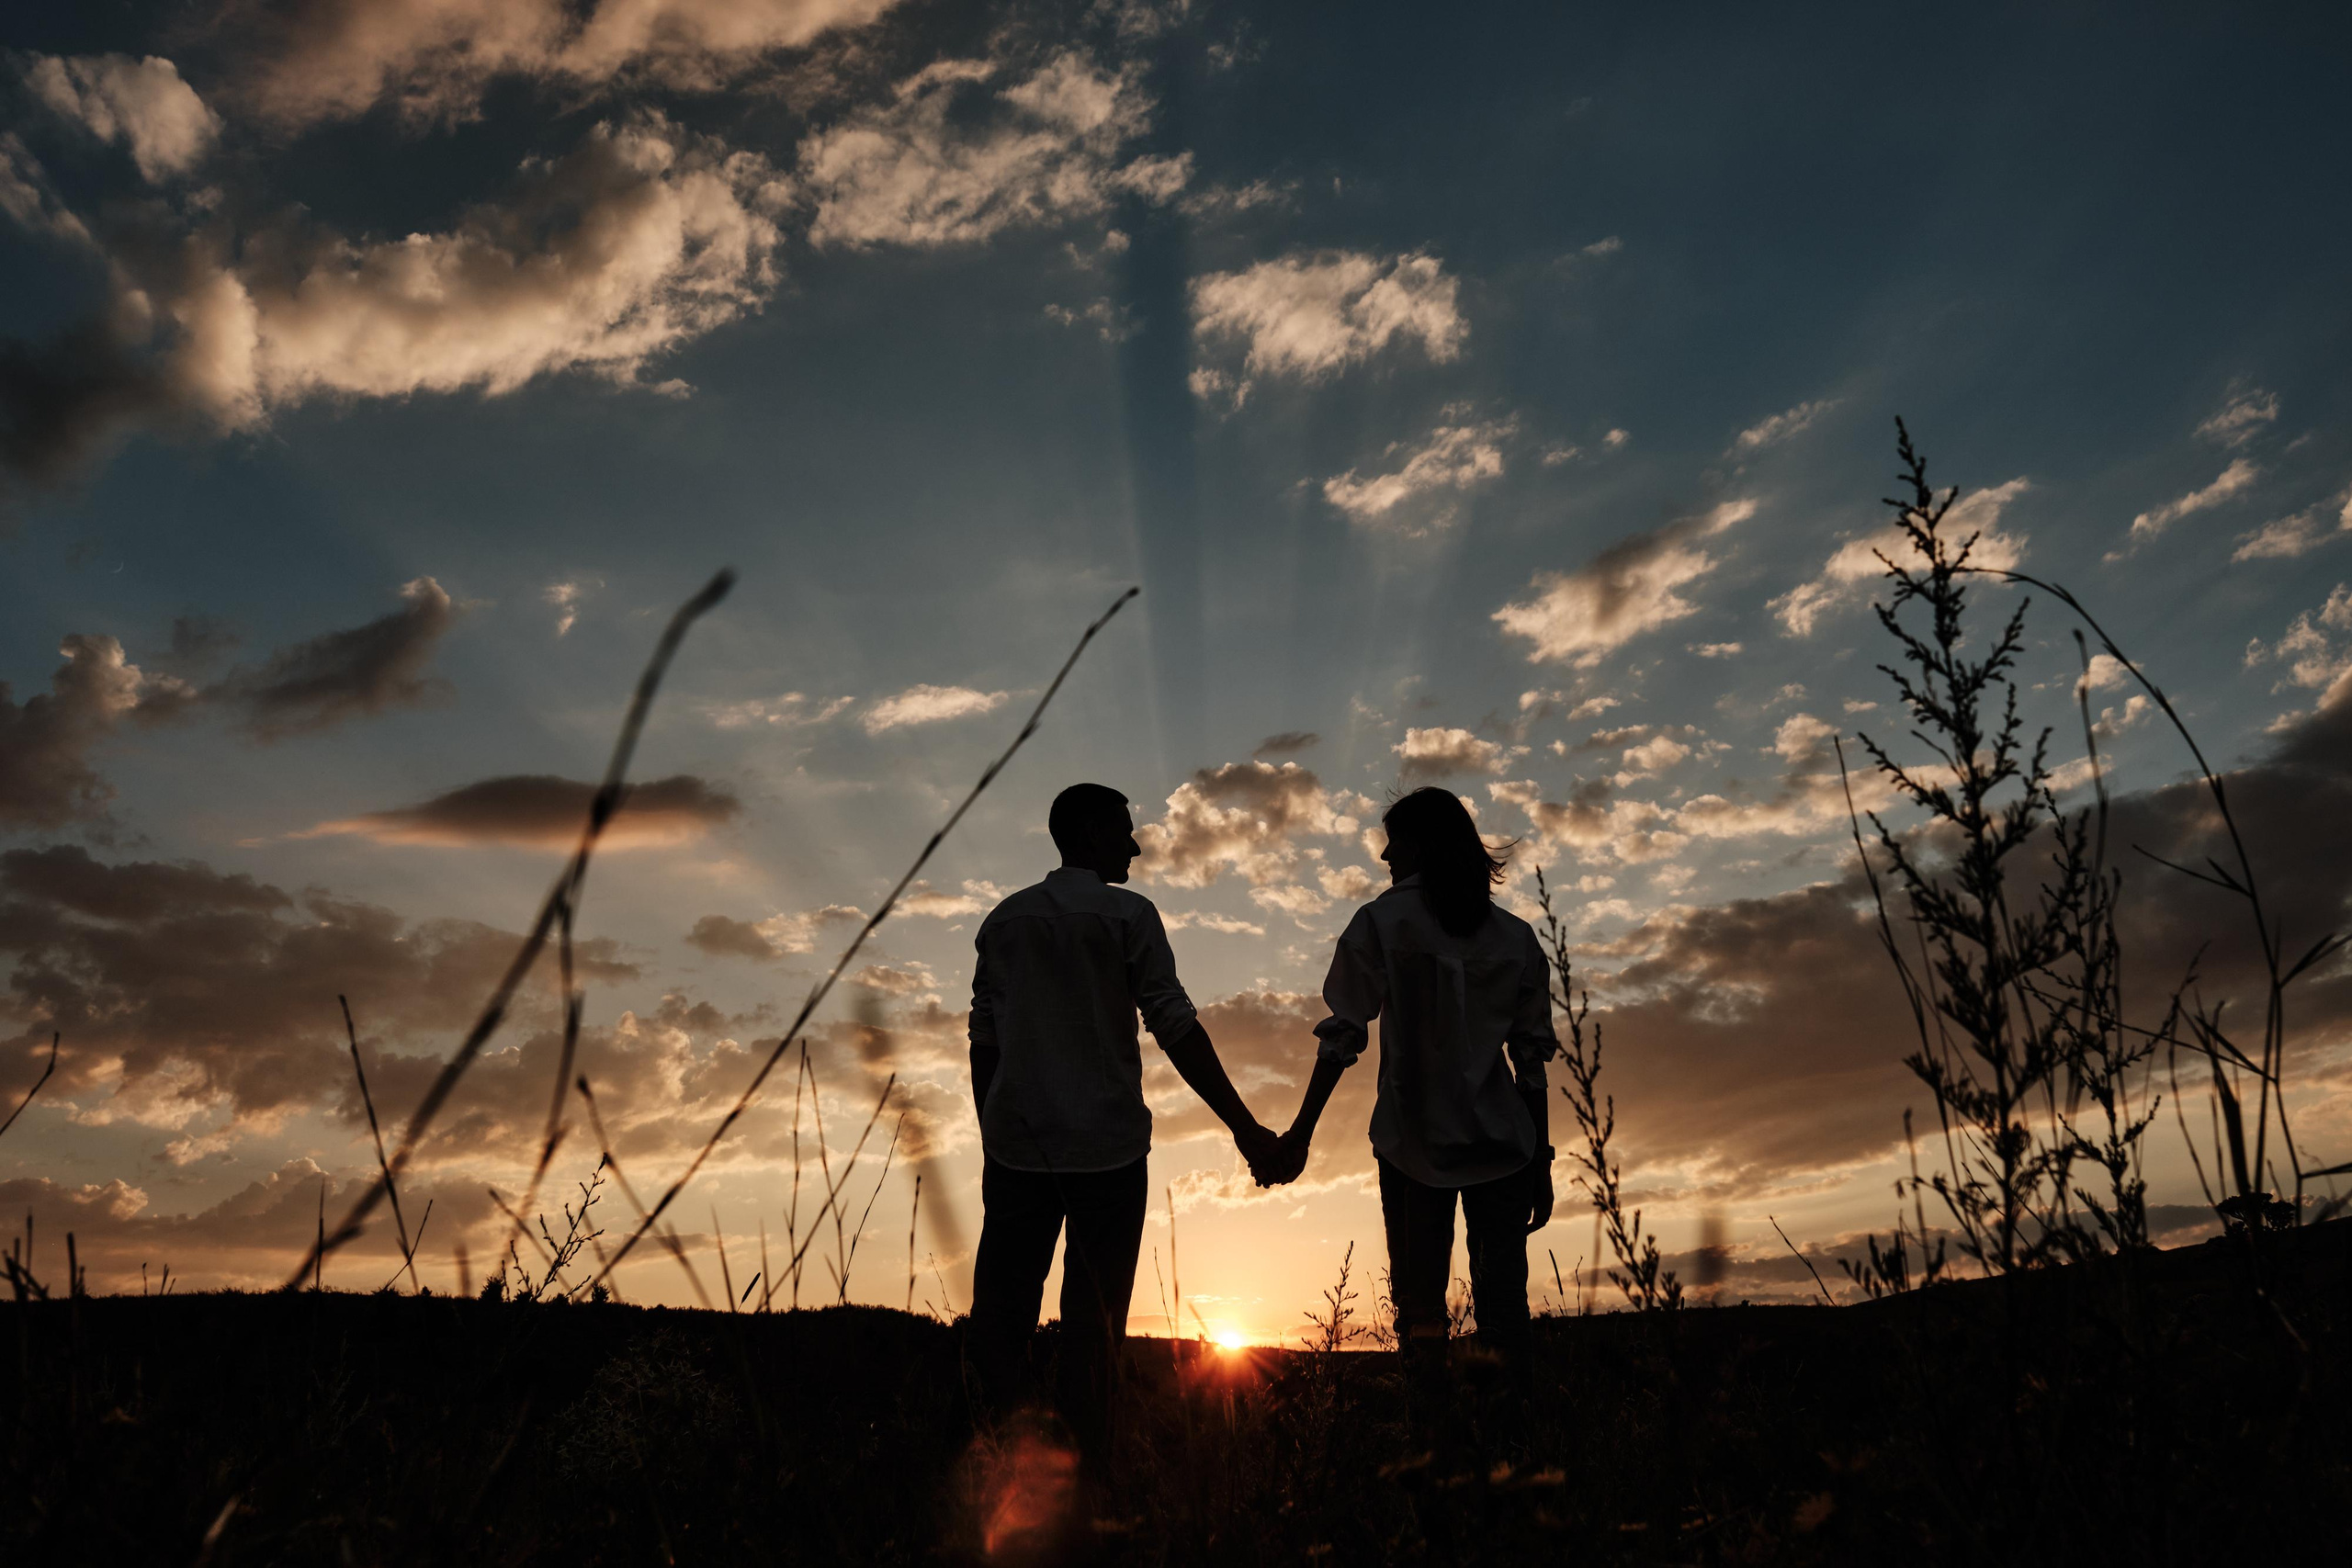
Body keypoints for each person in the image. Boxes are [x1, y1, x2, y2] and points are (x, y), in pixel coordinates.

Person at [966, 782, 1283, 1470]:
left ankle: (1008, 1464)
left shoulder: (1004, 922)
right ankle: (1086, 1480)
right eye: (1122, 829)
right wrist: (1244, 1126)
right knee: (1096, 1331)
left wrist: (993, 1132)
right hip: (1107, 1153)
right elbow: (1174, 1024)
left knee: (1001, 1323)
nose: (1136, 842)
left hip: (1018, 1150)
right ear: (1084, 834)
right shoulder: (1127, 914)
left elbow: (983, 1040)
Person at [1266, 786, 1557, 1436]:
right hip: (1503, 1146)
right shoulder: (1514, 937)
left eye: (1394, 839)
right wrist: (1540, 1156)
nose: (1385, 852)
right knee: (1504, 1307)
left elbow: (1344, 1033)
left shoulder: (1382, 923)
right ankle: (1513, 1443)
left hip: (1413, 1146)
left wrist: (1301, 1131)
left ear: (1421, 844)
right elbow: (1531, 1061)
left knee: (1421, 1312)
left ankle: (1434, 1444)